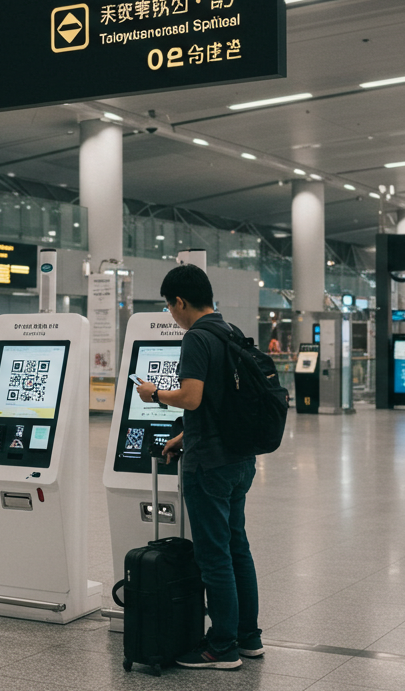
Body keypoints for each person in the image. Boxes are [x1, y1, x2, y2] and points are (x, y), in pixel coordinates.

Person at [135, 264, 261, 670]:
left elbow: (191, 397)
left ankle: (221, 646)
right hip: (240, 458)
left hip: (209, 465)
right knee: (237, 548)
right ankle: (248, 637)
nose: (172, 314)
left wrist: (153, 393)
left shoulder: (195, 338)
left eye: (170, 306)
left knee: (214, 556)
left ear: (180, 301)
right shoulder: (230, 333)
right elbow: (219, 403)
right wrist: (185, 436)